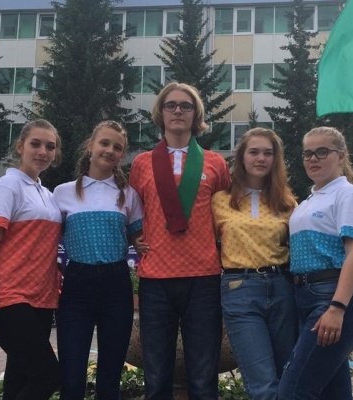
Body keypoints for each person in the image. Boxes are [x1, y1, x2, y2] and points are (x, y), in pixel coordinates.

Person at [129, 82, 231, 399]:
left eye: (185, 106)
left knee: (203, 374)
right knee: (156, 374)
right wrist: (135, 238)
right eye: (170, 105)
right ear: (160, 112)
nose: (177, 111)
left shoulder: (216, 163)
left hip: (203, 278)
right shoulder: (141, 163)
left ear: (195, 114)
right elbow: (133, 211)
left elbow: (226, 216)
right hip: (155, 278)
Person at [278, 126, 353, 399]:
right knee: (332, 394)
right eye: (307, 153)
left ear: (341, 156)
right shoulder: (308, 201)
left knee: (293, 391)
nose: (313, 159)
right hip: (307, 298)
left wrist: (337, 308)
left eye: (322, 152)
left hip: (334, 298)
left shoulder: (349, 195)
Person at [53, 120, 143, 399]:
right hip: (77, 284)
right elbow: (48, 240)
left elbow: (138, 238)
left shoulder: (128, 194)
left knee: (110, 374)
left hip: (117, 284)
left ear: (122, 155)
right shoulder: (63, 192)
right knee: (71, 373)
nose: (110, 150)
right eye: (104, 143)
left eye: (118, 147)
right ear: (90, 146)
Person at [0, 119, 62, 400]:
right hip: (10, 298)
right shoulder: (7, 186)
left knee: (19, 378)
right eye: (36, 144)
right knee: (48, 375)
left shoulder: (48, 195)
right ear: (20, 146)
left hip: (42, 300)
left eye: (50, 147)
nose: (43, 152)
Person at [211, 128, 297, 399]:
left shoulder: (287, 203)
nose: (261, 158)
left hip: (282, 287)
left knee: (289, 376)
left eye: (268, 153)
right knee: (262, 383)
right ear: (242, 157)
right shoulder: (220, 200)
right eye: (254, 152)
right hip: (240, 289)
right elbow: (204, 243)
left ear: (275, 159)